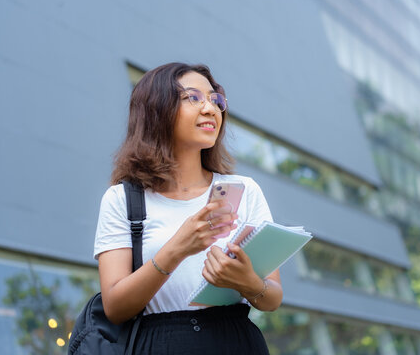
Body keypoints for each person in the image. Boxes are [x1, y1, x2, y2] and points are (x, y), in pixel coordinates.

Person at [94, 62, 282, 354]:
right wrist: (178, 248)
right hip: (159, 344)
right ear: (156, 110)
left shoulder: (245, 190)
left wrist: (248, 282)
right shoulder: (123, 199)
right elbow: (115, 307)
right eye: (193, 98)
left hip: (237, 340)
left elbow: (272, 298)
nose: (210, 109)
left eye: (215, 99)